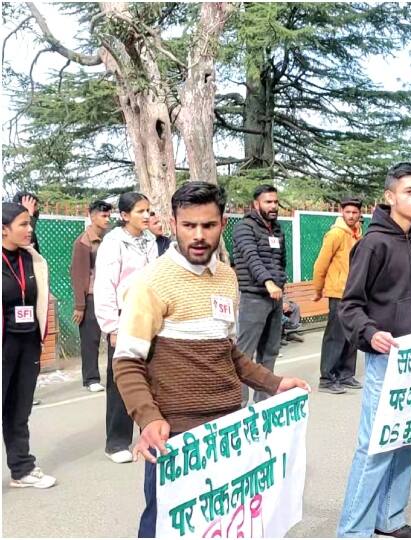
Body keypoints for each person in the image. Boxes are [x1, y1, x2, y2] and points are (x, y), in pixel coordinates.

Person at [111, 182, 310, 538]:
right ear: (174, 224)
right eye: (189, 226)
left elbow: (228, 351)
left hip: (228, 431)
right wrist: (149, 417)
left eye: (209, 225)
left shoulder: (227, 278)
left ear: (223, 224)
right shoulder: (150, 283)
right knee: (165, 524)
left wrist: (274, 383)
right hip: (176, 437)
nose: (199, 235)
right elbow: (127, 362)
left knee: (222, 522)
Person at [337, 162, 411, 538]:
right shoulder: (373, 244)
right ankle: (353, 530)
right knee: (376, 448)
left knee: (407, 440)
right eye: (409, 191)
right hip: (386, 361)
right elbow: (349, 305)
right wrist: (370, 333)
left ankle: (390, 518)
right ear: (390, 197)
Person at [94, 192, 158, 464]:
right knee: (121, 378)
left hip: (149, 314)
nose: (147, 216)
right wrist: (112, 326)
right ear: (125, 215)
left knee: (152, 375)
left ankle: (151, 432)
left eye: (149, 210)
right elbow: (105, 286)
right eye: (141, 211)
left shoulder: (150, 240)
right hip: (124, 317)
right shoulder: (113, 243)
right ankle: (117, 441)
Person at [2, 202, 56, 489]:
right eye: (23, 224)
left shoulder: (33, 259)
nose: (29, 229)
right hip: (3, 345)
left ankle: (22, 469)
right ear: (3, 230)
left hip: (28, 343)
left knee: (19, 410)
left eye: (29, 223)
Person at [233, 184, 287, 406]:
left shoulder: (278, 230)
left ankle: (264, 403)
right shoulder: (244, 227)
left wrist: (282, 288)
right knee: (245, 355)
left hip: (275, 297)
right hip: (254, 297)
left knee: (270, 351)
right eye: (268, 202)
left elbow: (281, 263)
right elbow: (251, 257)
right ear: (256, 204)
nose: (273, 206)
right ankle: (239, 404)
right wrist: (268, 283)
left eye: (275, 202)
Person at [312, 197, 363, 394]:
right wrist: (318, 290)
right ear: (342, 212)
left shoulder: (358, 234)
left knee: (352, 335)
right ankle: (327, 379)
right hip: (338, 293)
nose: (351, 216)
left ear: (359, 214)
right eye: (347, 212)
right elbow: (321, 264)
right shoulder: (335, 234)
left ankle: (346, 375)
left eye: (354, 212)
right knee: (335, 336)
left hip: (355, 292)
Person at [69, 199, 113, 392]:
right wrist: (80, 306)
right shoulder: (83, 242)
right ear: (92, 215)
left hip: (108, 294)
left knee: (113, 335)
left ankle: (115, 374)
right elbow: (78, 275)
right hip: (91, 297)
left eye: (108, 215)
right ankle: (91, 378)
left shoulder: (109, 239)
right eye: (103, 216)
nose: (107, 219)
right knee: (90, 339)